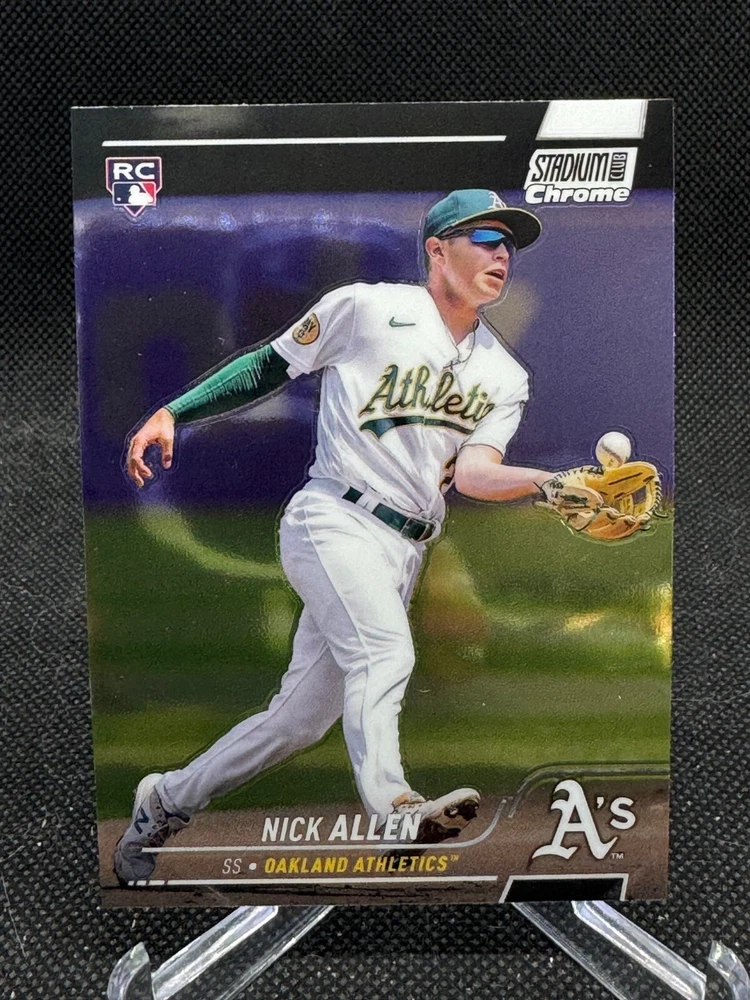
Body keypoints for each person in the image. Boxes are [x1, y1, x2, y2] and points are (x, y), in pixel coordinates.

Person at [115, 188, 554, 884]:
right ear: (437, 250)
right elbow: (268, 365)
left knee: (297, 721)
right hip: (334, 518)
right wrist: (176, 411)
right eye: (483, 238)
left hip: (404, 550)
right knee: (386, 651)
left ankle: (165, 799)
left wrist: (552, 484)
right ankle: (395, 809)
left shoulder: (504, 374)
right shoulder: (366, 308)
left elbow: (474, 474)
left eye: (508, 244)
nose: (500, 254)